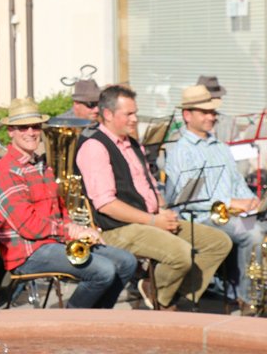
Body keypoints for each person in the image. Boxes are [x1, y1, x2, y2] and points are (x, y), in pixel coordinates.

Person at [76, 85, 232, 311]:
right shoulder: (95, 147)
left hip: (148, 219)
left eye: (135, 112)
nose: (135, 119)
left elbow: (148, 185)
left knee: (218, 242)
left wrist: (163, 209)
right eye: (129, 114)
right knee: (181, 253)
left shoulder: (131, 143)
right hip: (116, 228)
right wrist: (152, 221)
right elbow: (106, 204)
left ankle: (167, 296)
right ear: (108, 115)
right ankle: (162, 298)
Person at [0, 97, 137, 309]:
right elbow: (29, 226)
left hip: (53, 241)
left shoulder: (41, 165)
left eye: (36, 126)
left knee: (126, 262)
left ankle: (96, 319)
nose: (31, 132)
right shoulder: (6, 171)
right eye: (23, 127)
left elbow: (61, 210)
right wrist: (70, 231)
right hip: (28, 253)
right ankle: (70, 322)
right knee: (103, 271)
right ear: (11, 131)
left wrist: (80, 229)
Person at [164, 85, 265, 314]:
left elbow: (238, 182)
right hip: (201, 218)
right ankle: (247, 298)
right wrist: (231, 203)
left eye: (213, 113)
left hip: (229, 214)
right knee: (252, 233)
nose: (212, 117)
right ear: (187, 115)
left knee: (261, 225)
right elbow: (189, 198)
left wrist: (251, 201)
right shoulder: (180, 150)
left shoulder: (219, 146)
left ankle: (255, 287)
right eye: (205, 112)